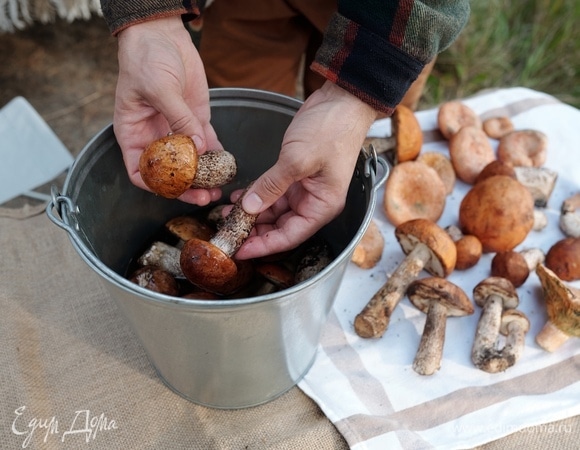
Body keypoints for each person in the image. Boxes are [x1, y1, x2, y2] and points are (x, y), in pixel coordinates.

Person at [99, 0, 470, 260]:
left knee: (342, 132)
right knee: (236, 87)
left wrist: (360, 95)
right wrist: (148, 18)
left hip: (391, 14)